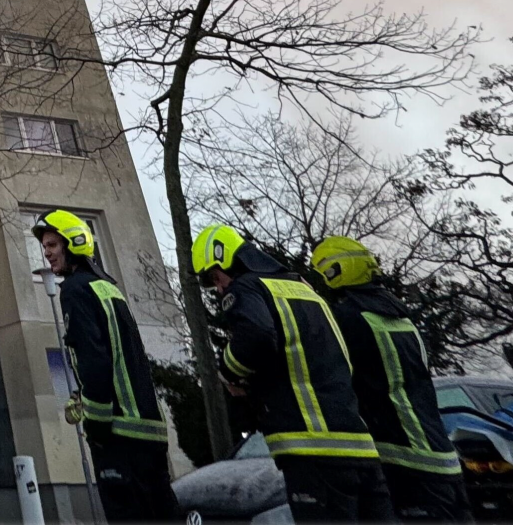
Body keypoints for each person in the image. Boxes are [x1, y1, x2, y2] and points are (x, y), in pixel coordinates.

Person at [196, 222, 394, 524]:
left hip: (312, 450)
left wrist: (229, 373)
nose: (220, 288)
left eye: (216, 277)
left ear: (226, 259)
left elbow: (257, 337)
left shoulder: (247, 287)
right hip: (360, 449)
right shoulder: (305, 289)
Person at [310, 236, 471, 522]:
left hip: (403, 461)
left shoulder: (347, 319)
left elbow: (327, 378)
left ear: (335, 272)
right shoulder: (401, 316)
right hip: (442, 457)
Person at [34, 209, 180, 522]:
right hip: (149, 431)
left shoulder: (74, 289)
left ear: (72, 244)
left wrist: (95, 421)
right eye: (45, 247)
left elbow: (94, 358)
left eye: (52, 246)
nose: (47, 253)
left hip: (119, 434)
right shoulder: (108, 288)